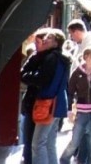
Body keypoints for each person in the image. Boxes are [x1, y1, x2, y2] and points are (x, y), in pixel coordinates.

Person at [21, 29, 70, 164]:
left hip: (47, 104)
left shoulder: (51, 58)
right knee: (49, 142)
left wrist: (26, 76)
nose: (45, 40)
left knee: (38, 143)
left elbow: (43, 79)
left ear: (56, 42)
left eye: (49, 38)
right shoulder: (62, 58)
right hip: (58, 103)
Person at [60, 46, 91, 164]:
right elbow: (70, 92)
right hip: (82, 110)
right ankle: (64, 159)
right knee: (75, 139)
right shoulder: (77, 73)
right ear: (86, 57)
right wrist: (69, 109)